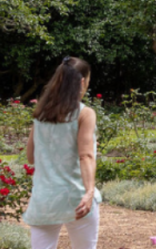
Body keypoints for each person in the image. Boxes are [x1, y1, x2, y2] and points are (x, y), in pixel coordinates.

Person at [23, 57, 102, 249]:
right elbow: (86, 155)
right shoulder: (84, 114)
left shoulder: (41, 113)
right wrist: (90, 191)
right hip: (77, 197)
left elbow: (31, 157)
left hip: (45, 199)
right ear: (82, 82)